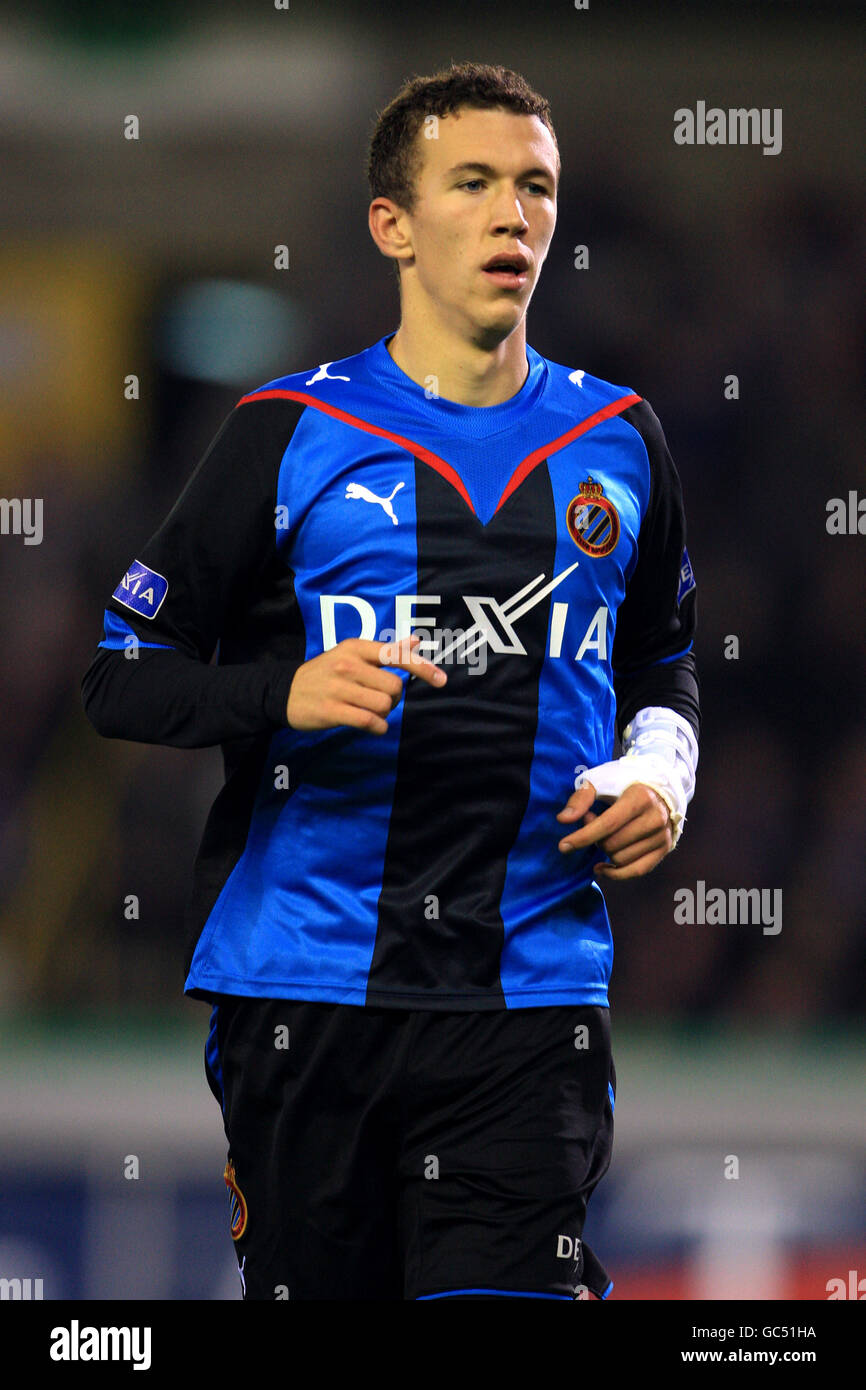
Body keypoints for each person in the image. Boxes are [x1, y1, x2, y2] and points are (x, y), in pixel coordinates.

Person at [81, 61, 699, 1302]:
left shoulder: (620, 437)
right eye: (470, 182)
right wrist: (285, 692)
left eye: (534, 186)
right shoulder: (283, 429)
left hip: (528, 994)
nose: (510, 214)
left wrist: (658, 769)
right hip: (307, 997)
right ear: (393, 225)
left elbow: (662, 668)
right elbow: (122, 677)